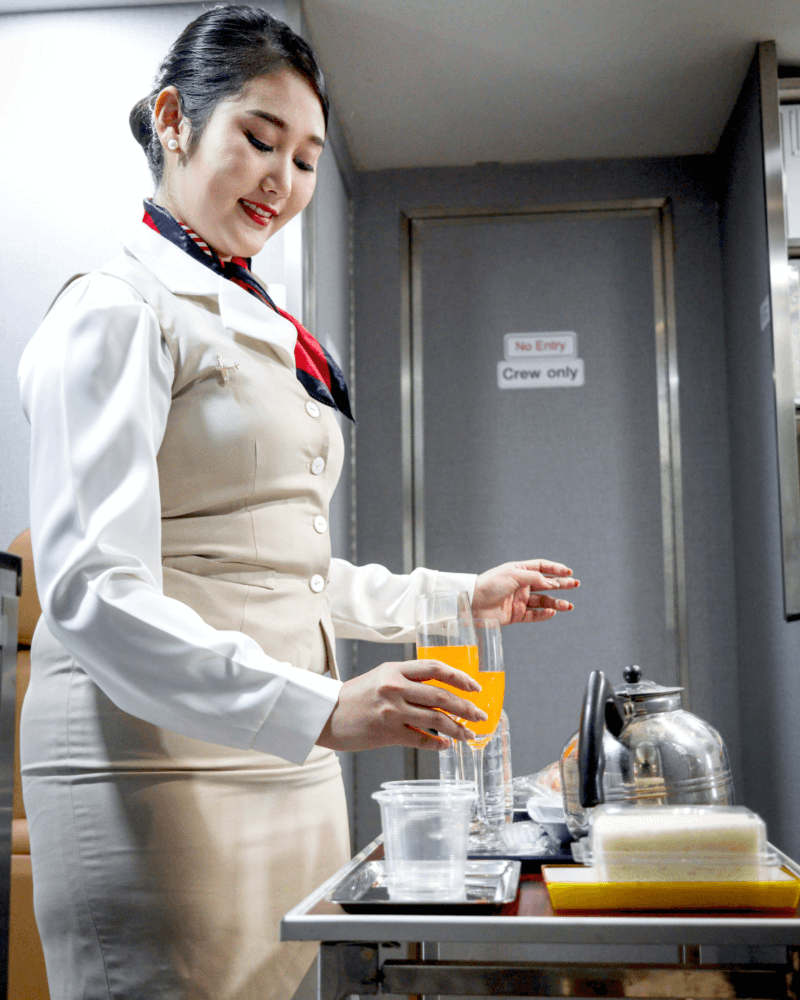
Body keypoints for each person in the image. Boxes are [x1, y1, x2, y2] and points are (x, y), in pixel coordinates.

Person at [17, 7, 579, 999]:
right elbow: (93, 593)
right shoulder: (115, 312)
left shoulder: (253, 318)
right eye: (259, 138)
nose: (284, 180)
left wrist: (458, 598)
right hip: (162, 773)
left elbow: (271, 563)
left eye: (307, 159)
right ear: (173, 120)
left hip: (282, 759)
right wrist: (323, 708)